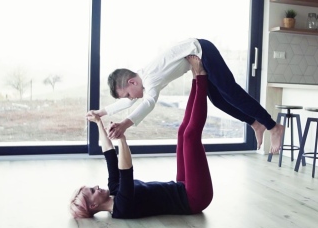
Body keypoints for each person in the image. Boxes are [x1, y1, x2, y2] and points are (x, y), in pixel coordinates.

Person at [86, 38, 284, 154]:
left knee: (230, 92)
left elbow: (149, 104)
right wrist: (102, 112)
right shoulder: (143, 78)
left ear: (132, 82)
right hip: (199, 55)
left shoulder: (151, 78)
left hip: (202, 50)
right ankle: (255, 123)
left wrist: (125, 124)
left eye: (129, 94)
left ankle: (273, 127)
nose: (131, 98)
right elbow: (131, 103)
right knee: (218, 100)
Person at [70, 64, 213, 219]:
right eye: (92, 191)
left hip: (181, 186)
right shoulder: (122, 207)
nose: (96, 187)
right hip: (193, 199)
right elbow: (126, 170)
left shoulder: (114, 189)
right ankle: (201, 77)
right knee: (190, 136)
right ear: (93, 206)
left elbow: (109, 154)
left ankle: (195, 79)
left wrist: (98, 122)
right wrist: (122, 138)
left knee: (181, 133)